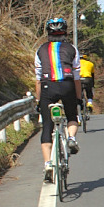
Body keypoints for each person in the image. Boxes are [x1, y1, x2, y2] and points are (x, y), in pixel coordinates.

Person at [35, 17, 82, 181]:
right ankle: (71, 138)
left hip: (48, 87)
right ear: (65, 32)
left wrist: (38, 101)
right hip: (67, 85)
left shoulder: (40, 50)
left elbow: (38, 78)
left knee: (47, 126)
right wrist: (79, 98)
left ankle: (48, 163)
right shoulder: (72, 49)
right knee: (71, 116)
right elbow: (77, 77)